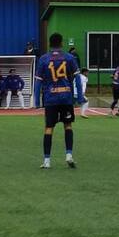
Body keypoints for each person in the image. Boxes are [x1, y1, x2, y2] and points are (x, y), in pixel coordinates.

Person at [34, 32, 84, 169]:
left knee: (49, 128)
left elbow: (38, 81)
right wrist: (79, 97)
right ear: (61, 43)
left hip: (50, 98)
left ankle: (47, 160)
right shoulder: (69, 57)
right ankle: (69, 155)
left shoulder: (44, 59)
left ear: (50, 44)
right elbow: (78, 79)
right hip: (66, 97)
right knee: (67, 125)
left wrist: (37, 101)